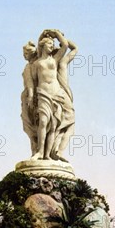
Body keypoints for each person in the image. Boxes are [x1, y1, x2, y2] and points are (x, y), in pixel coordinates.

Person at [30, 29, 75, 161]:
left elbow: (65, 45)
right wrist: (32, 97)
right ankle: (39, 152)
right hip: (43, 94)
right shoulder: (36, 63)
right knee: (43, 122)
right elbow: (33, 82)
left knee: (54, 126)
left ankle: (47, 154)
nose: (52, 46)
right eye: (50, 44)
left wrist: (56, 33)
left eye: (52, 44)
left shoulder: (55, 60)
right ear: (42, 46)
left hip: (56, 94)